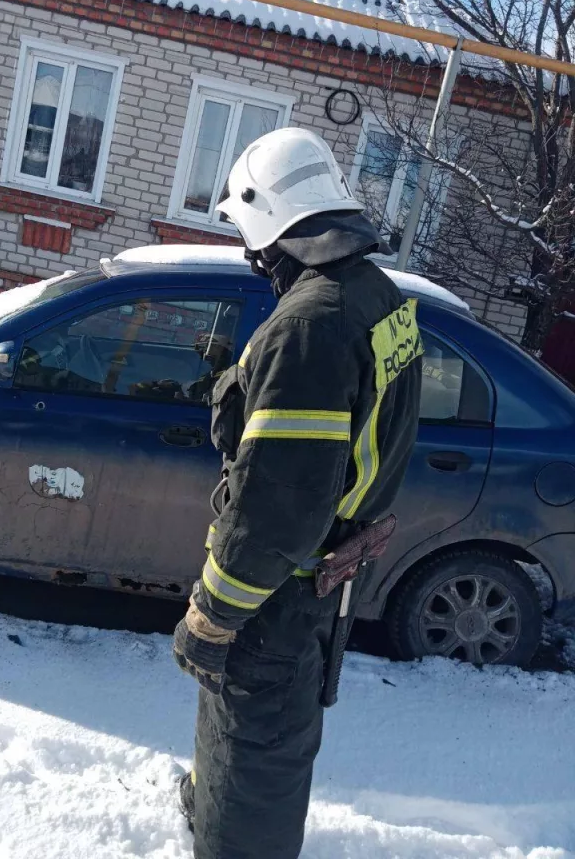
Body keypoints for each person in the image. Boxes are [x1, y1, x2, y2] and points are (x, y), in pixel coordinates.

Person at [172, 127, 423, 859]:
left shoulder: (312, 326)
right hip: (318, 577)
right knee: (256, 737)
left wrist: (213, 615)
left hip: (276, 593)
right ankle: (207, 809)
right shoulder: (378, 298)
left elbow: (278, 507)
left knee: (257, 748)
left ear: (266, 225)